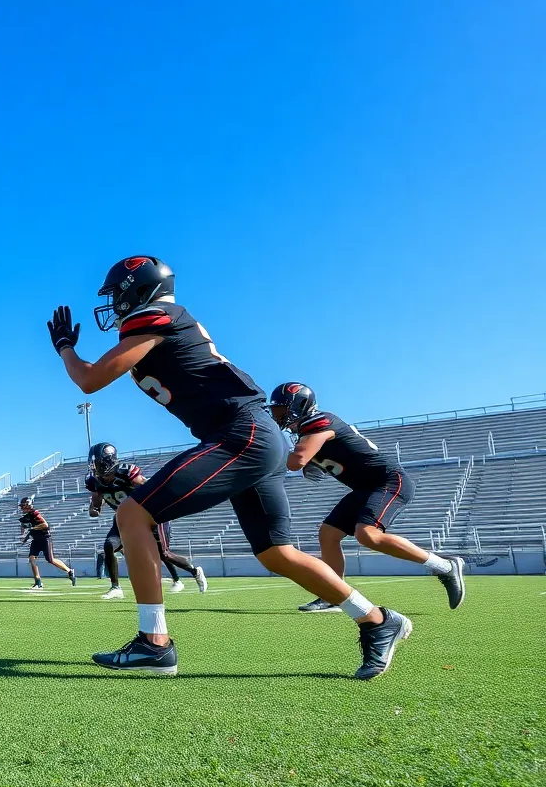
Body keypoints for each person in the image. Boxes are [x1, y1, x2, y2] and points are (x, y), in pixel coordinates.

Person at [48, 255, 409, 679]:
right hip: (251, 435)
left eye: (115, 294)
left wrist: (65, 349)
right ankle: (378, 620)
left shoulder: (156, 315)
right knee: (278, 554)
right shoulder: (162, 320)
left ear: (135, 290)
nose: (113, 304)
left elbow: (89, 380)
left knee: (132, 512)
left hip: (241, 434)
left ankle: (154, 642)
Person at [270, 383, 465, 611]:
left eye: (282, 410)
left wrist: (266, 451)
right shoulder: (307, 431)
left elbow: (296, 462)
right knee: (329, 534)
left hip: (389, 481)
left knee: (367, 535)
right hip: (365, 488)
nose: (278, 416)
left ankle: (444, 566)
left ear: (299, 406)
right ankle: (334, 594)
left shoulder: (319, 421)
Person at [85, 443, 207, 600]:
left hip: (149, 514)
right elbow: (95, 506)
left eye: (99, 464)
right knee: (109, 545)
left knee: (164, 554)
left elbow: (151, 488)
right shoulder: (94, 481)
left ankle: (195, 571)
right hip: (124, 517)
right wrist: (94, 509)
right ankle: (116, 588)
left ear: (109, 461)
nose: (96, 468)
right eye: (93, 465)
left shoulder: (126, 473)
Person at [18, 497, 76, 590]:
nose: (21, 508)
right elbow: (23, 524)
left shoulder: (35, 514)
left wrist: (33, 529)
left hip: (45, 539)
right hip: (36, 540)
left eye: (23, 506)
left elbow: (45, 525)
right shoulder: (27, 516)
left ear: (28, 505)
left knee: (50, 560)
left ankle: (69, 571)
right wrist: (23, 535)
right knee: (31, 558)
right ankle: (38, 581)